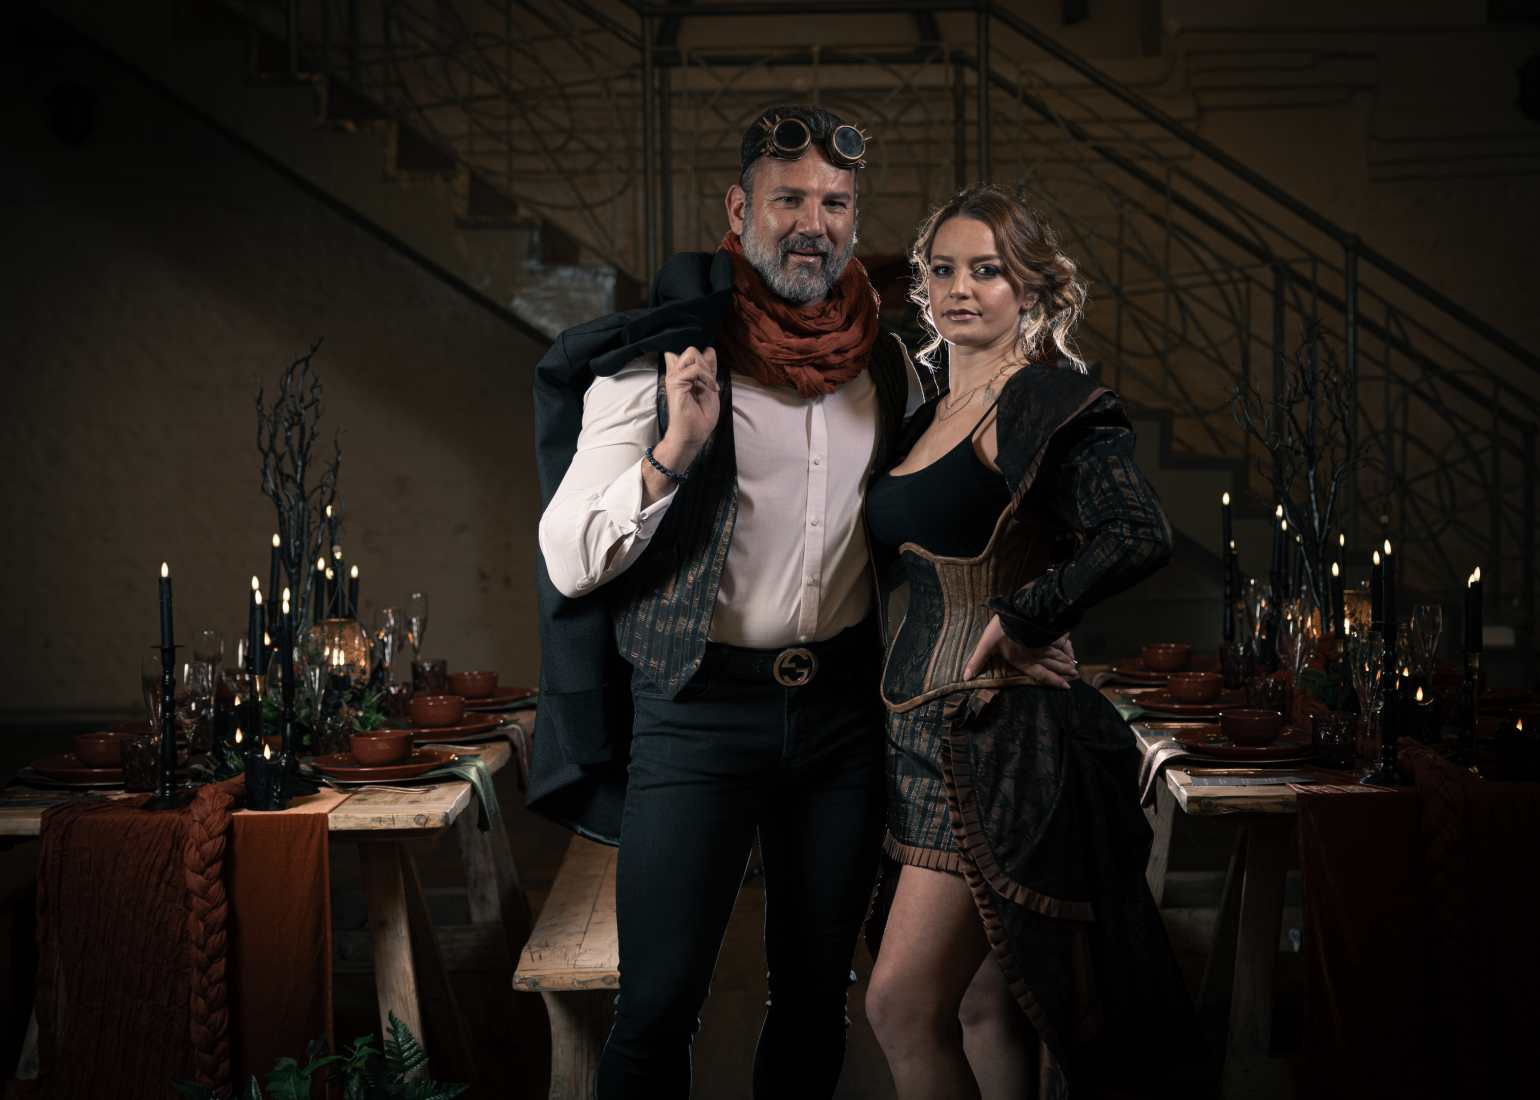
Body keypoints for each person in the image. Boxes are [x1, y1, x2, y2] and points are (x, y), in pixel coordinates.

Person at [533, 107, 1069, 1098]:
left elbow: (969, 515)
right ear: (739, 211)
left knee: (816, 994)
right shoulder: (659, 362)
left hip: (840, 719)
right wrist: (671, 453)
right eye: (788, 199)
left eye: (834, 201)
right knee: (656, 1008)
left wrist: (1031, 620)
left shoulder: (889, 365)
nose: (811, 221)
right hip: (696, 714)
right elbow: (569, 558)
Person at [862, 185, 1198, 1099]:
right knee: (983, 1002)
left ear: (1033, 289)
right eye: (941, 269)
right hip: (909, 731)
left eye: (988, 270)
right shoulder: (924, 408)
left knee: (899, 1005)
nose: (959, 289)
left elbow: (1136, 532)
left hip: (991, 736)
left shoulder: (1039, 398)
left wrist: (1027, 613)